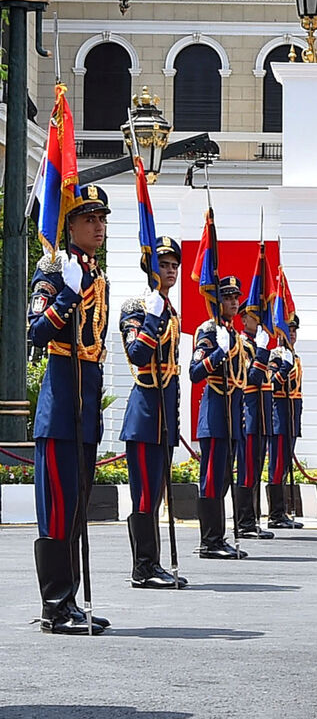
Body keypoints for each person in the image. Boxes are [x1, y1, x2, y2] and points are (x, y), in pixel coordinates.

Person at [27, 185, 113, 634]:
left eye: (102, 218)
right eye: (89, 219)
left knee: (76, 508)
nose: (98, 226)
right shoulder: (54, 272)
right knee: (58, 509)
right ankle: (54, 606)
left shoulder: (96, 274)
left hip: (84, 410)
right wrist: (66, 296)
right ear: (69, 225)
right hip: (60, 405)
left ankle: (71, 601)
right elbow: (37, 332)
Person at [119, 235, 188, 587]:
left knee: (156, 492)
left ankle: (153, 563)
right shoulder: (136, 307)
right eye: (164, 264)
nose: (171, 270)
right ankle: (143, 567)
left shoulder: (170, 310)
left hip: (164, 417)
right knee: (144, 494)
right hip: (145, 415)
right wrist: (153, 317)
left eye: (175, 265)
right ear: (150, 266)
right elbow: (138, 355)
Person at [190, 276, 250, 559]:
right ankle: (209, 540)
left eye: (236, 297)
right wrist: (218, 353)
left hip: (232, 417)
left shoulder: (233, 334)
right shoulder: (209, 331)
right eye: (227, 297)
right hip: (215, 414)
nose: (234, 302)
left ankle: (218, 537)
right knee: (212, 479)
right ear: (217, 301)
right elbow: (195, 372)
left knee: (224, 478)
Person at [234, 305, 274, 541]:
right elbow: (252, 377)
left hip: (260, 415)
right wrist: (261, 351)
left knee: (255, 470)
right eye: (253, 317)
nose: (258, 322)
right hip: (248, 415)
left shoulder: (256, 345)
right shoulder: (242, 344)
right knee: (247, 472)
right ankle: (244, 521)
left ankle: (253, 519)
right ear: (243, 318)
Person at [267, 317, 304, 530]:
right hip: (279, 416)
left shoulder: (294, 356)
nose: (292, 334)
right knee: (277, 466)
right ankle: (276, 513)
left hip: (291, 416)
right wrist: (283, 369)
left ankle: (282, 512)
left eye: (294, 330)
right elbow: (271, 382)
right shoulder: (276, 356)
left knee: (284, 464)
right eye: (288, 330)